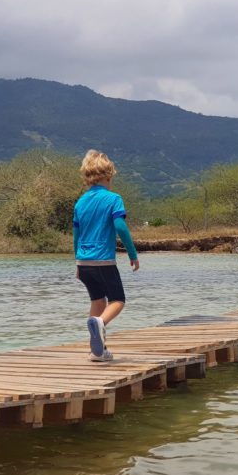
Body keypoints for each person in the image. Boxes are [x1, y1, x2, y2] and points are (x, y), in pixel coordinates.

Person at [73, 150, 140, 361]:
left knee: (97, 300)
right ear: (108, 176)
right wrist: (132, 252)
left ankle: (97, 352)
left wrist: (77, 262)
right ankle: (100, 324)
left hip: (83, 262)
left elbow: (76, 235)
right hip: (104, 260)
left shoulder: (80, 202)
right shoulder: (113, 199)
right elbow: (120, 226)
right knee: (118, 300)